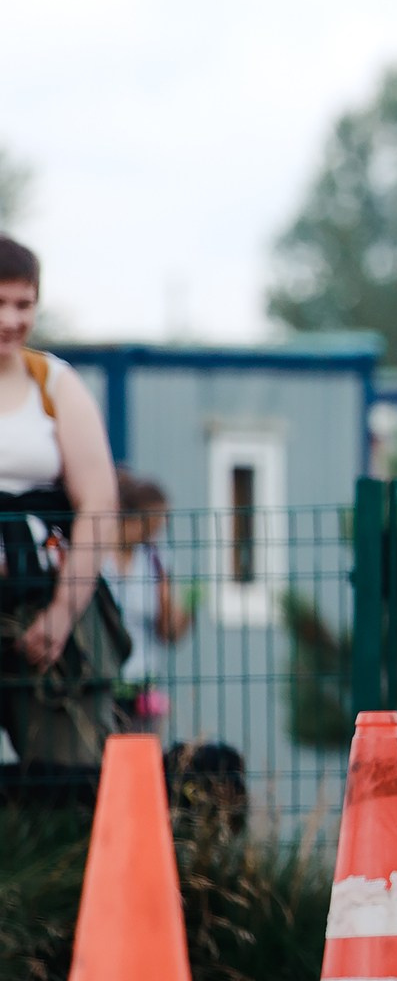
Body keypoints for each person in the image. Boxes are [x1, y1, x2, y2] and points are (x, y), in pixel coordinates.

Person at [0, 237, 125, 808]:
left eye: (23, 305)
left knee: (67, 771)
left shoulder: (55, 385)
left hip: (44, 604)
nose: (10, 320)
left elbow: (97, 506)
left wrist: (62, 613)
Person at [102, 468, 194, 726]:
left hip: (142, 688)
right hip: (99, 685)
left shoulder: (155, 559)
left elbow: (168, 631)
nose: (153, 535)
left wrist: (189, 607)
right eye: (149, 524)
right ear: (127, 515)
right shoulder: (95, 557)